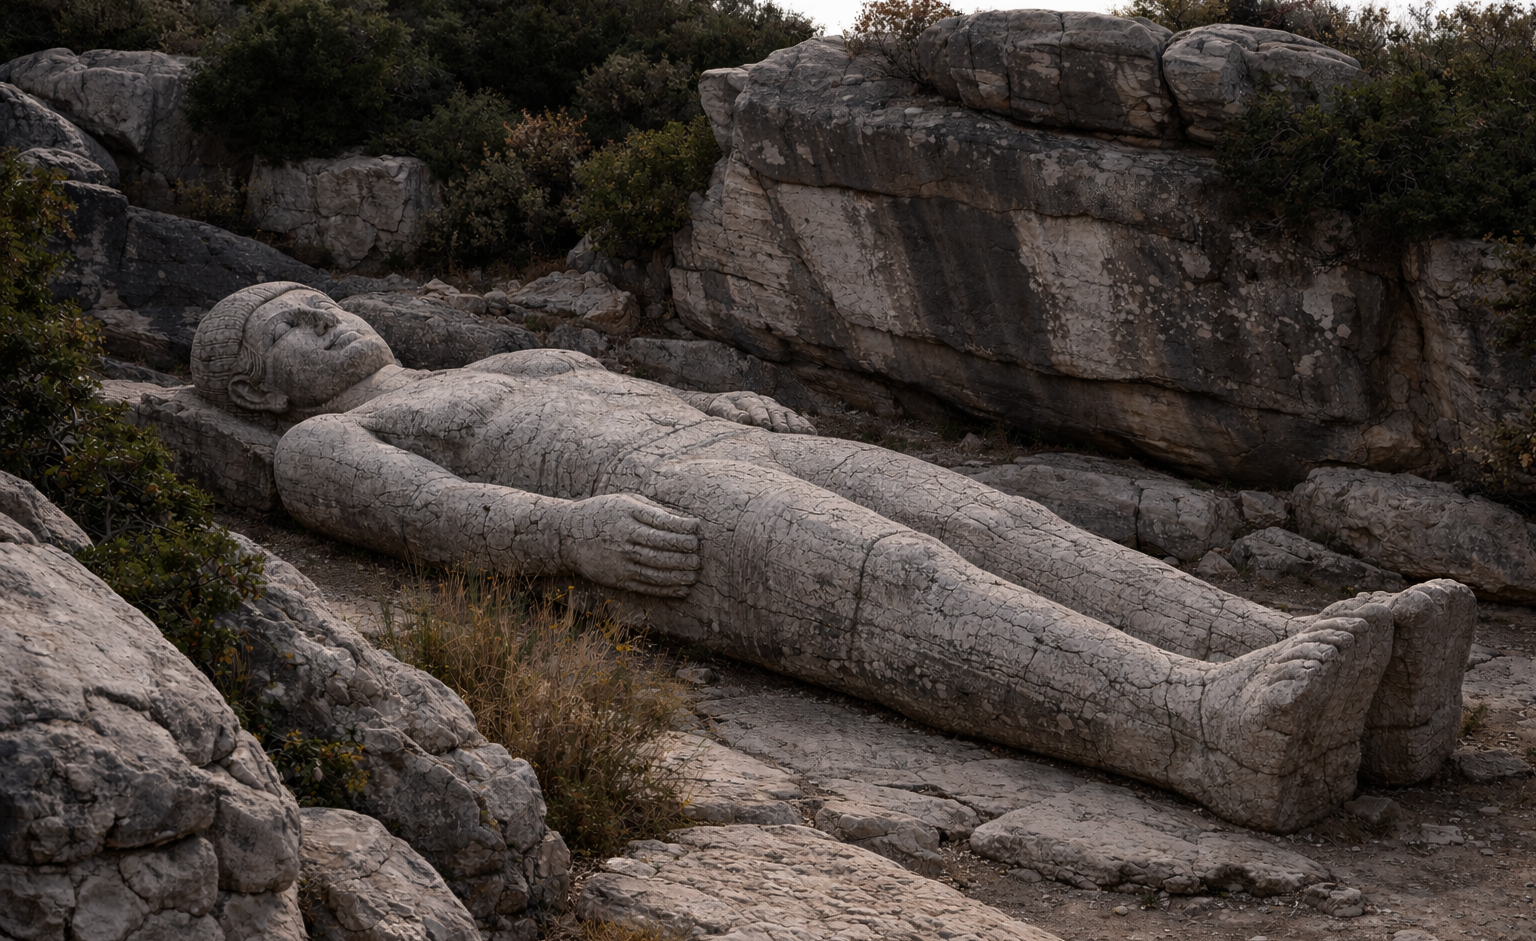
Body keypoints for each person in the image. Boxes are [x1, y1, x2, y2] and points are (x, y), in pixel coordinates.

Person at [192, 282, 1472, 831]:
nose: (320, 314)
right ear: (257, 387)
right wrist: (565, 538)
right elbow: (420, 518)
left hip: (718, 448)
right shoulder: (330, 437)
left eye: (310, 301)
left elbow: (618, 391)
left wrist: (736, 410)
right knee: (905, 586)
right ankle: (1206, 730)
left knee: (1004, 525)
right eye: (287, 329)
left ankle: (1313, 666)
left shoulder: (489, 360)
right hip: (653, 520)